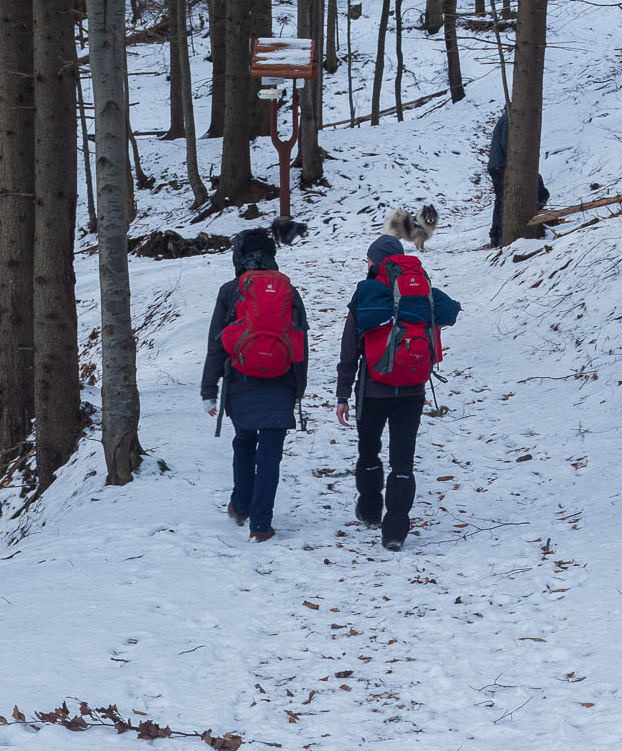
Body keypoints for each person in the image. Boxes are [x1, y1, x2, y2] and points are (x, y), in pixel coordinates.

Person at [335, 228, 460, 551]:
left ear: (375, 263)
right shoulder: (421, 290)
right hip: (412, 390)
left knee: (369, 450)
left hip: (372, 391)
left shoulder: (366, 293)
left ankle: (370, 510)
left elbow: (350, 349)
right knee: (402, 461)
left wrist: (343, 394)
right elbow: (451, 312)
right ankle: (395, 531)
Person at [201, 223, 309, 543]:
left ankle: (240, 505)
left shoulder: (230, 291)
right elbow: (301, 343)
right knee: (270, 456)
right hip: (281, 382)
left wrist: (209, 389)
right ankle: (260, 525)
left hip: (241, 380)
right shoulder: (290, 290)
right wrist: (297, 388)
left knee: (245, 444)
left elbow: (216, 344)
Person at [487, 106, 550, 246]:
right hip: (502, 165)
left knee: (501, 198)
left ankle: (496, 234)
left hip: (499, 164)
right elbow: (508, 145)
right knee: (504, 198)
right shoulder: (509, 120)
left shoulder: (506, 119)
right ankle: (498, 234)